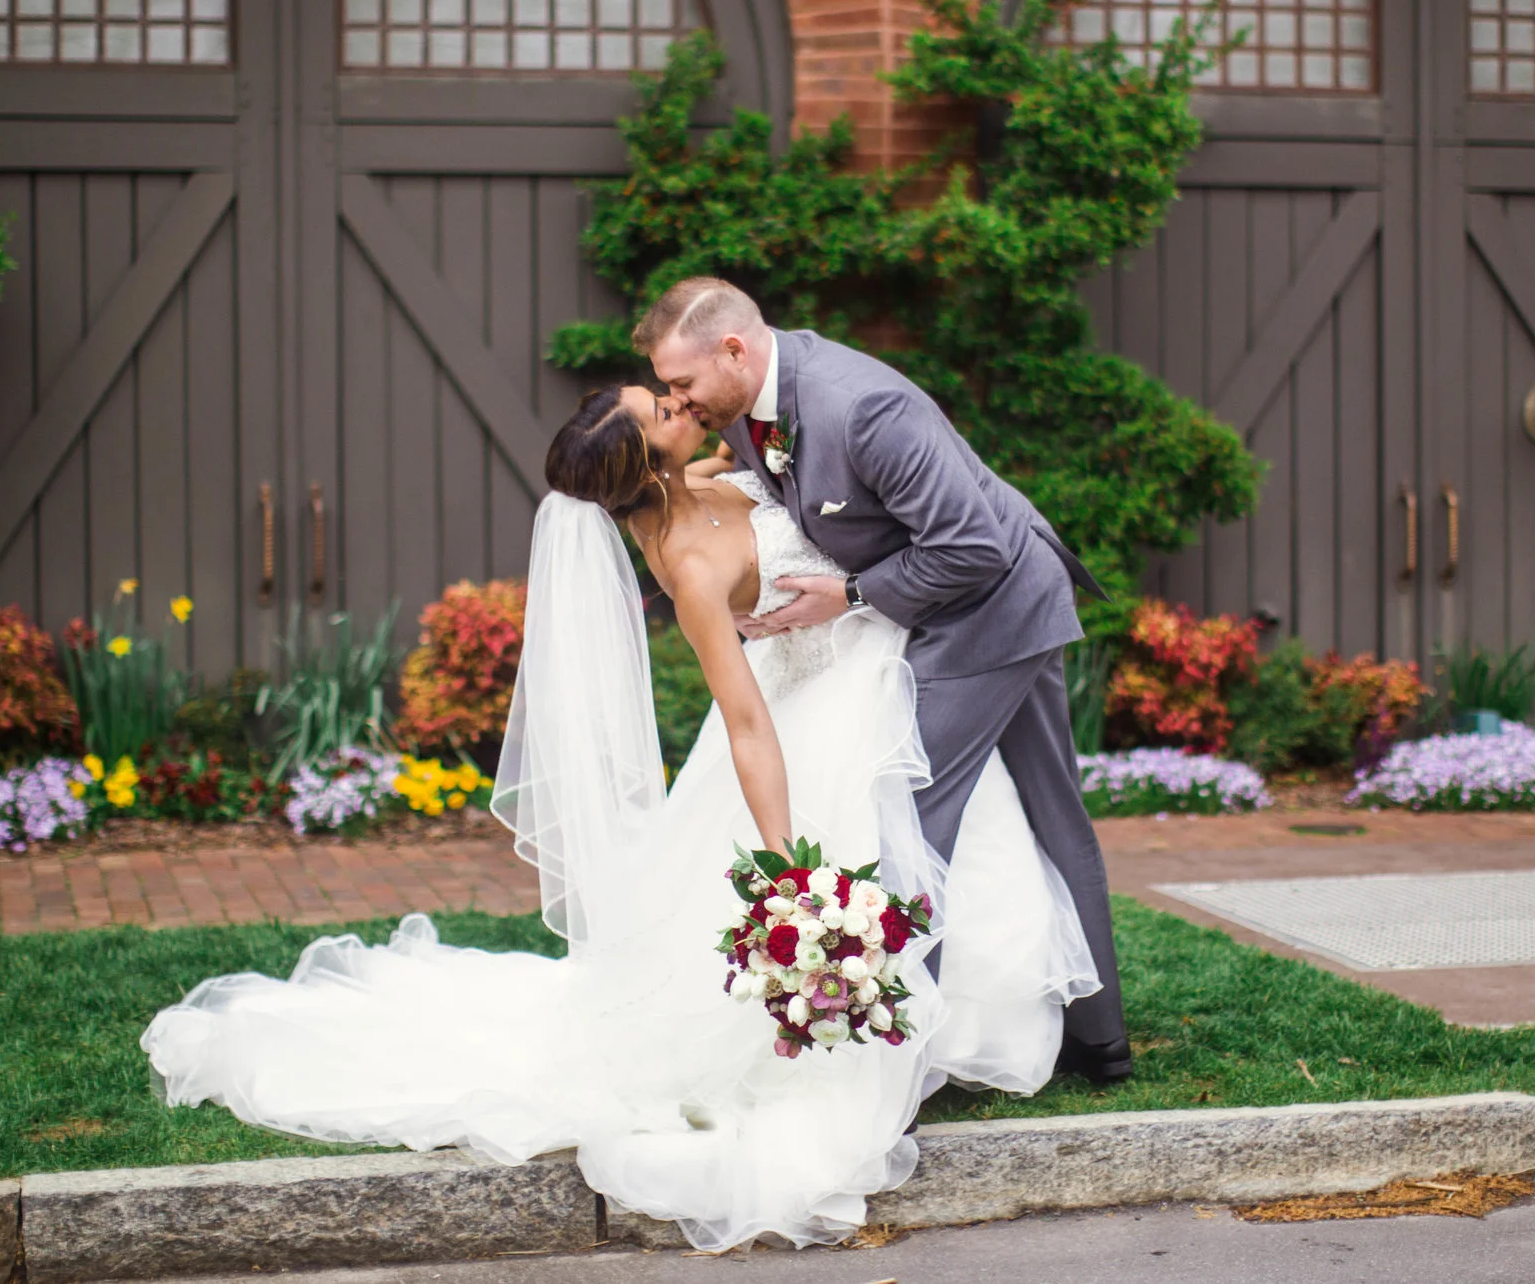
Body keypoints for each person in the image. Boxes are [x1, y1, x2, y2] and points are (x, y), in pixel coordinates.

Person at [142, 334, 1099, 1250]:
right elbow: (746, 722)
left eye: (669, 393)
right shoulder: (686, 561)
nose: (683, 404)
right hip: (809, 723)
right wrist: (786, 868)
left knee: (956, 840)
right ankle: (888, 1037)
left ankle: (981, 1034)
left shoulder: (719, 470)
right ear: (647, 467)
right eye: (665, 408)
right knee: (886, 856)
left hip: (880, 673)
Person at [639, 278, 1131, 1081]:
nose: (679, 400)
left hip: (995, 605)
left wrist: (851, 596)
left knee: (907, 808)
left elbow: (974, 545)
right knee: (1044, 811)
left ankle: (898, 1056)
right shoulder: (741, 404)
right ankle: (1100, 1042)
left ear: (733, 349)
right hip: (951, 605)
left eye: (683, 383)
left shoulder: (861, 406)